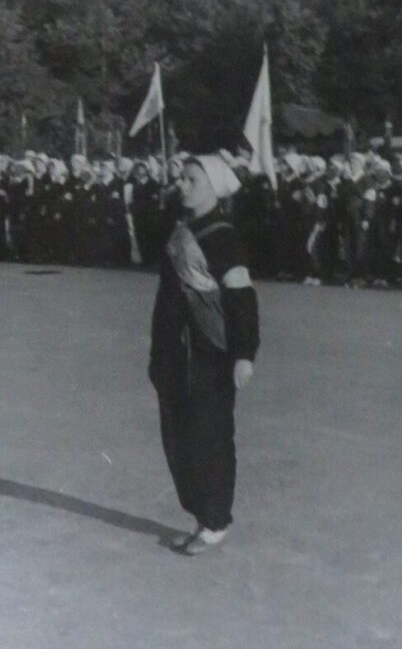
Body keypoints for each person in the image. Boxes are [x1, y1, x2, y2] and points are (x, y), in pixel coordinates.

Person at [149, 155, 260, 557]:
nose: (183, 183)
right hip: (175, 352)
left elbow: (242, 299)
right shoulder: (180, 229)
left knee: (209, 437)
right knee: (178, 438)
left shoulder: (225, 237)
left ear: (213, 185)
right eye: (182, 177)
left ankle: (216, 519)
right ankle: (201, 516)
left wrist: (245, 353)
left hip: (211, 353)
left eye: (192, 178)